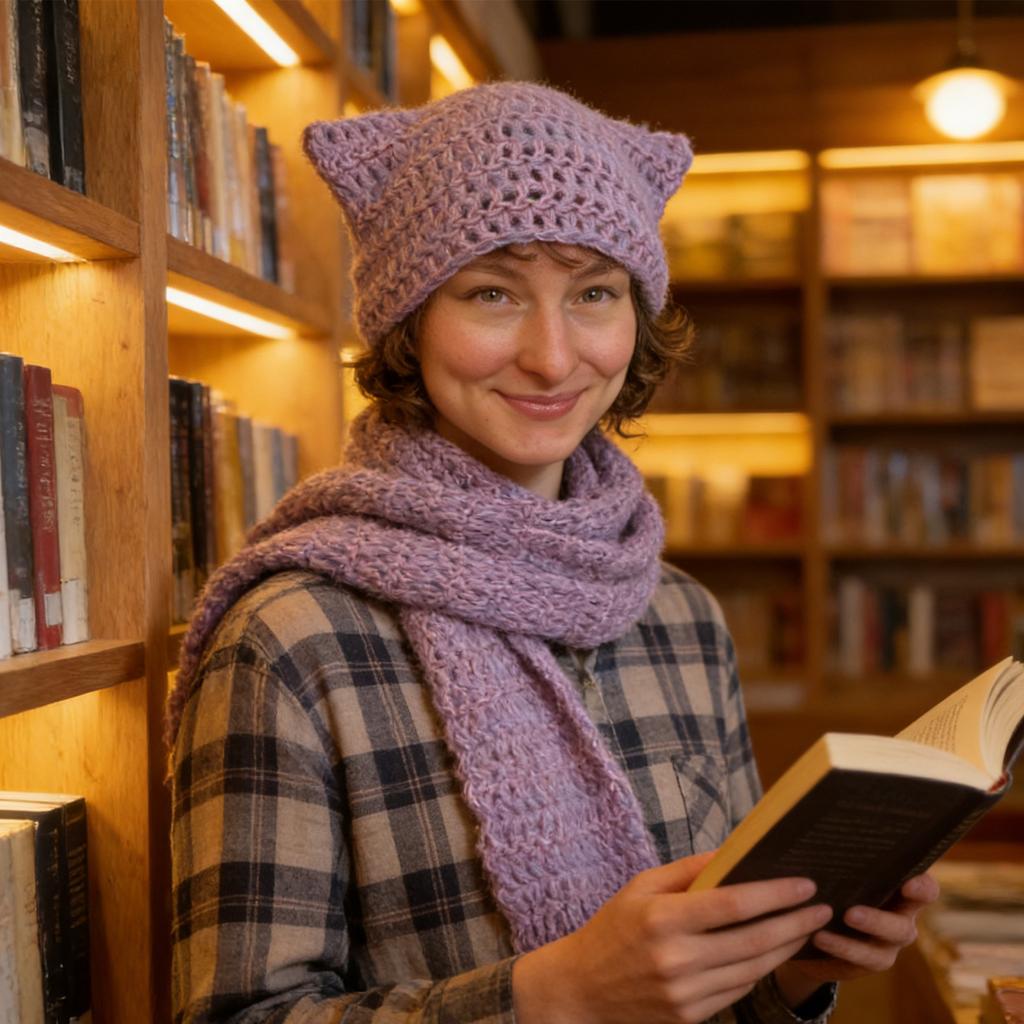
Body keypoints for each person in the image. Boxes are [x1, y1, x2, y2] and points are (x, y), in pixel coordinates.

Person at [166, 81, 937, 1024]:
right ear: (407, 322)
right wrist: (553, 997)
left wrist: (792, 966)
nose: (551, 355)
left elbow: (725, 987)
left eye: (594, 294)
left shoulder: (678, 613)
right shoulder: (292, 638)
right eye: (492, 292)